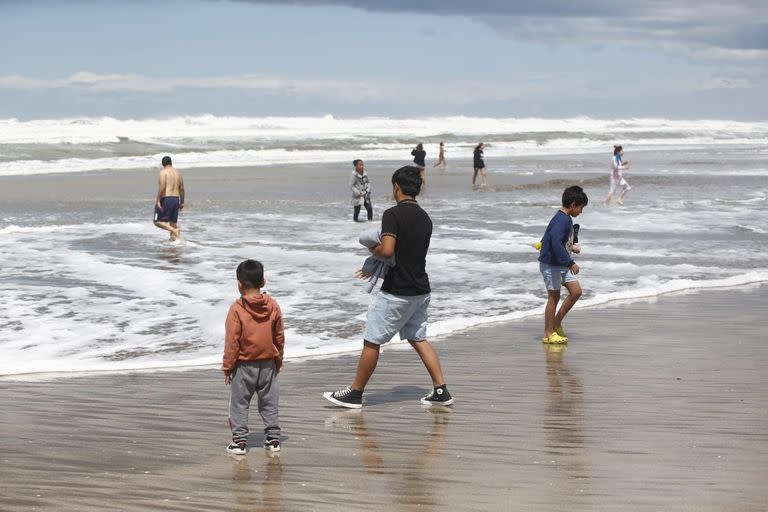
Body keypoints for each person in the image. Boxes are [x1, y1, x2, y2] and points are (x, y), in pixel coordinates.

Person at [323, 165, 454, 409]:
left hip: (398, 290)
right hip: (421, 289)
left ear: (396, 187)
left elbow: (387, 250)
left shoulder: (393, 215)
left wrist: (372, 249)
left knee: (372, 340)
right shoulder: (425, 218)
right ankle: (441, 390)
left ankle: (355, 393)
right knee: (418, 338)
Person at [222, 259, 285, 455]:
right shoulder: (273, 305)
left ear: (239, 284)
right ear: (263, 282)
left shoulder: (237, 309)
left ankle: (239, 442)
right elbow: (279, 336)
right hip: (268, 363)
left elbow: (232, 341)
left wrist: (227, 366)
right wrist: (278, 359)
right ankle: (273, 439)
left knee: (239, 403)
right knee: (269, 401)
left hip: (243, 364)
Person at [538, 185, 588, 344]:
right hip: (552, 264)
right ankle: (548, 334)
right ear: (573, 204)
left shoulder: (565, 219)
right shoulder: (562, 219)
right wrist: (570, 262)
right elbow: (554, 242)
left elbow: (556, 240)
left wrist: (572, 247)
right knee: (554, 297)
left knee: (576, 292)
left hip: (561, 263)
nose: (581, 211)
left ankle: (556, 323)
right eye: (581, 207)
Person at [153, 156, 185, 241]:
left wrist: (158, 200)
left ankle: (174, 230)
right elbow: (181, 188)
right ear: (171, 163)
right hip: (176, 199)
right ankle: (174, 243)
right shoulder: (178, 173)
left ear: (163, 164)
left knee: (156, 221)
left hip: (166, 199)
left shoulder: (163, 172)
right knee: (173, 222)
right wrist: (182, 202)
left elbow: (162, 187)